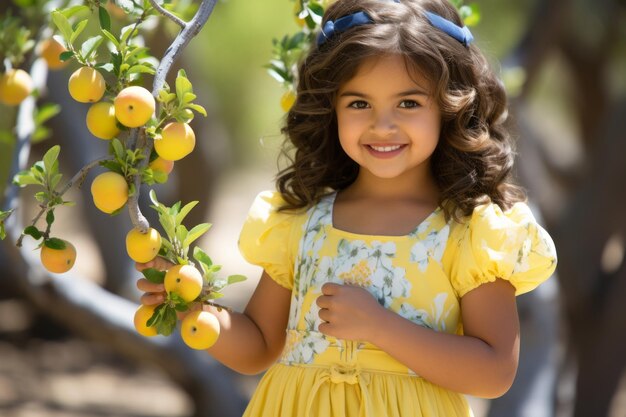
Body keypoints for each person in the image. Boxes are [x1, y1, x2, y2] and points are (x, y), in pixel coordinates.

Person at [136, 0, 558, 415]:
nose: (382, 124)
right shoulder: (300, 218)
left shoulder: (470, 229)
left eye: (408, 103)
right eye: (359, 103)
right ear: (330, 107)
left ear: (450, 106)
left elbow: (494, 372)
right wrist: (194, 309)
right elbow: (260, 347)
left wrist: (379, 326)